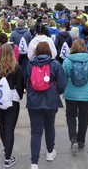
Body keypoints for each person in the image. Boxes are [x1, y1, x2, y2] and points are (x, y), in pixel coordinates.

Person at [26, 41, 67, 169]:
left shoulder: (30, 64)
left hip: (33, 102)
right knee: (50, 127)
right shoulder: (55, 64)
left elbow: (26, 81)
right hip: (51, 101)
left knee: (36, 132)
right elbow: (62, 84)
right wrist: (55, 92)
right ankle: (50, 152)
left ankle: (34, 162)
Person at [0, 43, 24, 168]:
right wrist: (18, 97)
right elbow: (20, 87)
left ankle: (6, 147)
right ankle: (8, 159)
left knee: (2, 124)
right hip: (12, 103)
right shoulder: (17, 68)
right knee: (9, 129)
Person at [62, 39, 88, 150]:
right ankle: (81, 140)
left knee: (71, 116)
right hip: (86, 95)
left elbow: (62, 78)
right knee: (84, 118)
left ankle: (73, 137)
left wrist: (65, 89)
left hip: (70, 94)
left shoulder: (67, 61)